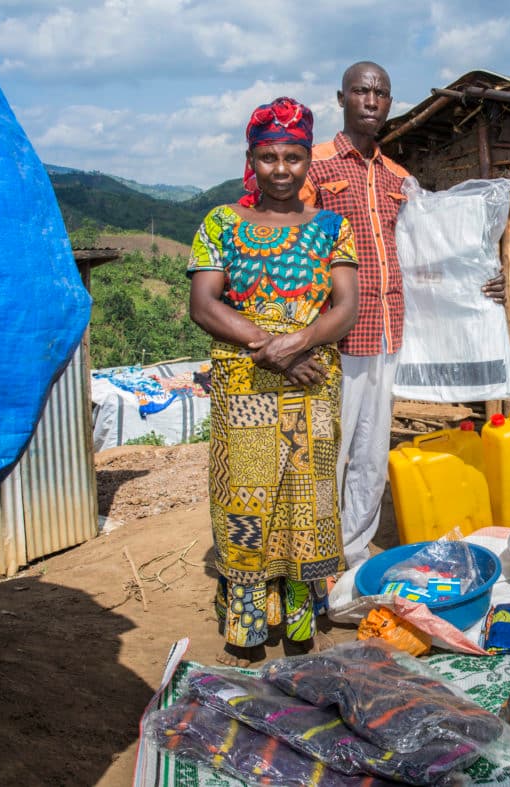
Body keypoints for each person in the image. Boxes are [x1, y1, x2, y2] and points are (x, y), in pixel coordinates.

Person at [302, 61, 505, 567]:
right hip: (333, 339)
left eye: (381, 93)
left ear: (389, 103)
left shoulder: (400, 178)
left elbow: (421, 260)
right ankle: (312, 556)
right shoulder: (315, 166)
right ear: (341, 97)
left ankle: (349, 556)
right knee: (327, 451)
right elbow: (291, 248)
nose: (371, 100)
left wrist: (479, 287)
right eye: (361, 91)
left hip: (388, 334)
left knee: (370, 457)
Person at [188, 97, 359, 664]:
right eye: (268, 156)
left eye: (292, 156)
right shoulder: (221, 224)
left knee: (307, 503)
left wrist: (301, 342)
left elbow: (346, 308)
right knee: (247, 500)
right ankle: (247, 627)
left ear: (308, 160)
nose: (281, 168)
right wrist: (273, 348)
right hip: (245, 386)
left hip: (313, 385)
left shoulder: (333, 228)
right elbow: (204, 304)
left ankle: (302, 622)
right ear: (251, 160)